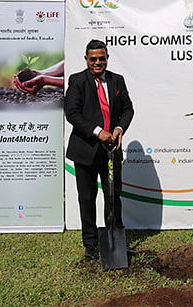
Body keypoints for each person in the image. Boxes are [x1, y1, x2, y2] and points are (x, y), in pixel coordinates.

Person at [65, 40, 134, 260]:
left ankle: (116, 241)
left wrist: (119, 128)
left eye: (101, 58)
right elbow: (72, 113)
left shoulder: (117, 80)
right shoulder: (77, 81)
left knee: (113, 196)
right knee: (87, 198)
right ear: (86, 59)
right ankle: (91, 244)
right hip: (85, 150)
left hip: (111, 150)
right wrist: (98, 131)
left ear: (107, 58)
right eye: (93, 58)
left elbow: (128, 109)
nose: (97, 62)